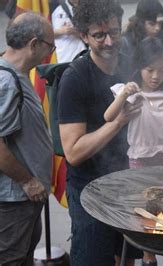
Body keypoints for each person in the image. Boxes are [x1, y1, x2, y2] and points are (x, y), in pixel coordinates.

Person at [57, 0, 143, 265]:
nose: (109, 41)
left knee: (128, 256)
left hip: (126, 181)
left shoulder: (131, 65)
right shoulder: (75, 78)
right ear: (83, 36)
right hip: (89, 189)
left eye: (114, 32)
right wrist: (117, 123)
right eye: (99, 35)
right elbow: (73, 152)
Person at [104, 37, 163, 266]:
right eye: (150, 70)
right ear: (138, 68)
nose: (156, 76)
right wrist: (124, 95)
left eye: (162, 70)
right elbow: (108, 117)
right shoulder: (131, 92)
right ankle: (148, 257)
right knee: (146, 207)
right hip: (140, 160)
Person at [0, 12, 54, 265]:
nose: (50, 52)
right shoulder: (6, 81)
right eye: (50, 46)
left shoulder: (16, 75)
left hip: (25, 199)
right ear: (34, 44)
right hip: (15, 201)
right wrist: (28, 181)